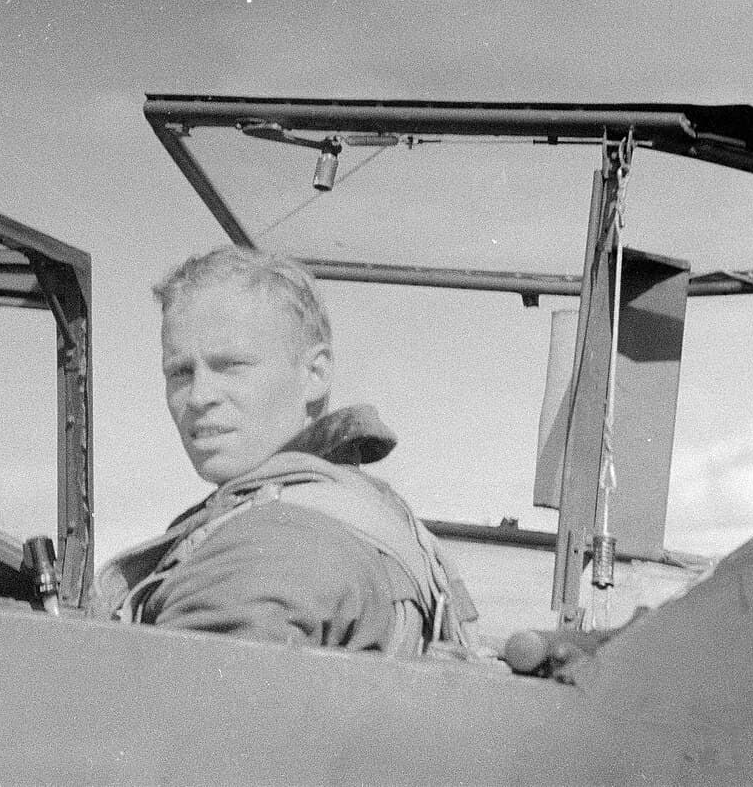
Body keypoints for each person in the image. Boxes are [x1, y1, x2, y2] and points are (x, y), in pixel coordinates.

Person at [93, 246, 477, 655]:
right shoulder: (355, 504)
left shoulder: (267, 551)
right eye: (180, 372)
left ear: (315, 374)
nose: (199, 396)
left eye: (232, 365)